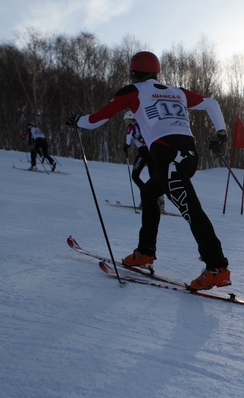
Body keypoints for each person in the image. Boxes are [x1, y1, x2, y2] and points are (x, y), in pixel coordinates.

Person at [66, 51, 230, 290]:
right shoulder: (178, 92)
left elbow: (95, 121)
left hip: (167, 158)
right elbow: (211, 103)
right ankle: (145, 252)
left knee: (191, 210)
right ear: (157, 72)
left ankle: (217, 268)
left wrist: (76, 120)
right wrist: (221, 135)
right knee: (149, 193)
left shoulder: (133, 91)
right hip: (189, 157)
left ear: (133, 73)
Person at [122, 111, 164, 212]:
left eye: (128, 120)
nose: (127, 123)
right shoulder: (144, 125)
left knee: (135, 176)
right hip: (152, 151)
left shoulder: (131, 127)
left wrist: (126, 146)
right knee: (154, 177)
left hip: (143, 152)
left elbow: (128, 141)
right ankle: (160, 201)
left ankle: (146, 196)